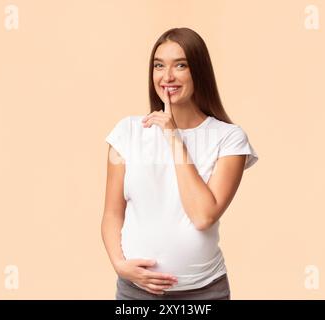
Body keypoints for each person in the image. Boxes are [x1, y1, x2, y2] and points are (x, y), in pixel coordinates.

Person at [102, 27, 259, 300]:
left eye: (181, 65)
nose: (167, 77)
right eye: (159, 66)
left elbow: (203, 215)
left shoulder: (229, 139)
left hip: (204, 294)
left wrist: (173, 136)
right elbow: (112, 214)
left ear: (199, 71)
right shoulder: (126, 132)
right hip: (136, 292)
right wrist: (119, 264)